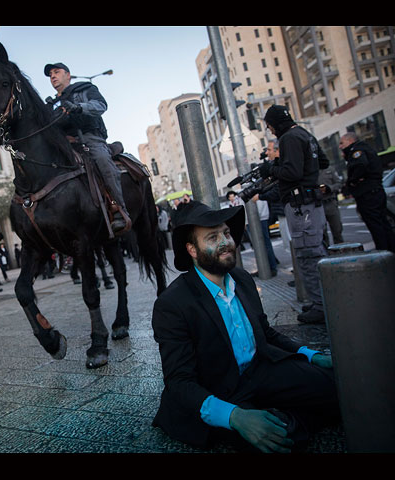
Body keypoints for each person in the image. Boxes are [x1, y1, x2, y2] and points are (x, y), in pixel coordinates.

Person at [151, 201, 340, 453]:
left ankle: (287, 416)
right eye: (212, 237)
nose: (225, 242)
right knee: (274, 438)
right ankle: (281, 420)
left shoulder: (241, 279)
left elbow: (266, 333)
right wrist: (235, 417)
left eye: (227, 233)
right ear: (192, 250)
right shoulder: (172, 304)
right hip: (218, 390)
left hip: (259, 372)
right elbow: (179, 382)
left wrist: (312, 355)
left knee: (336, 387)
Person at [259, 105, 329, 324]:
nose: (270, 131)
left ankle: (320, 305)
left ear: (277, 123)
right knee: (317, 251)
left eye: (270, 126)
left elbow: (292, 173)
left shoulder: (289, 138)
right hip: (311, 203)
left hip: (301, 206)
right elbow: (323, 162)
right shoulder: (304, 134)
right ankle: (324, 300)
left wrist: (271, 169)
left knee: (308, 255)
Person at [44, 62, 129, 233]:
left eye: (56, 72)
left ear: (68, 75)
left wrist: (78, 107)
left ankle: (118, 209)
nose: (53, 76)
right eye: (50, 74)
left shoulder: (85, 89)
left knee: (103, 161)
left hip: (90, 138)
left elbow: (101, 105)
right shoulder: (50, 104)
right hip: (65, 145)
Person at [340, 132, 395, 252]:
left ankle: (383, 252)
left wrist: (353, 181)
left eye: (342, 143)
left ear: (350, 141)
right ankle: (390, 251)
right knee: (383, 223)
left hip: (368, 193)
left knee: (375, 225)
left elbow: (360, 165)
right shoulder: (366, 148)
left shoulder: (357, 150)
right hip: (375, 191)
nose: (340, 146)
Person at [251, 193, 278, 276]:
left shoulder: (256, 189)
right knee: (258, 245)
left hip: (259, 218)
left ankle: (272, 267)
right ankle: (263, 266)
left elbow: (260, 202)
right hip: (253, 219)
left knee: (265, 243)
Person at [318, 165, 345, 246]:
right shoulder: (311, 171)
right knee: (323, 233)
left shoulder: (329, 169)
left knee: (337, 229)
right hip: (319, 204)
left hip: (331, 202)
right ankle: (327, 253)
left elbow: (338, 183)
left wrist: (330, 188)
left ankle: (340, 251)